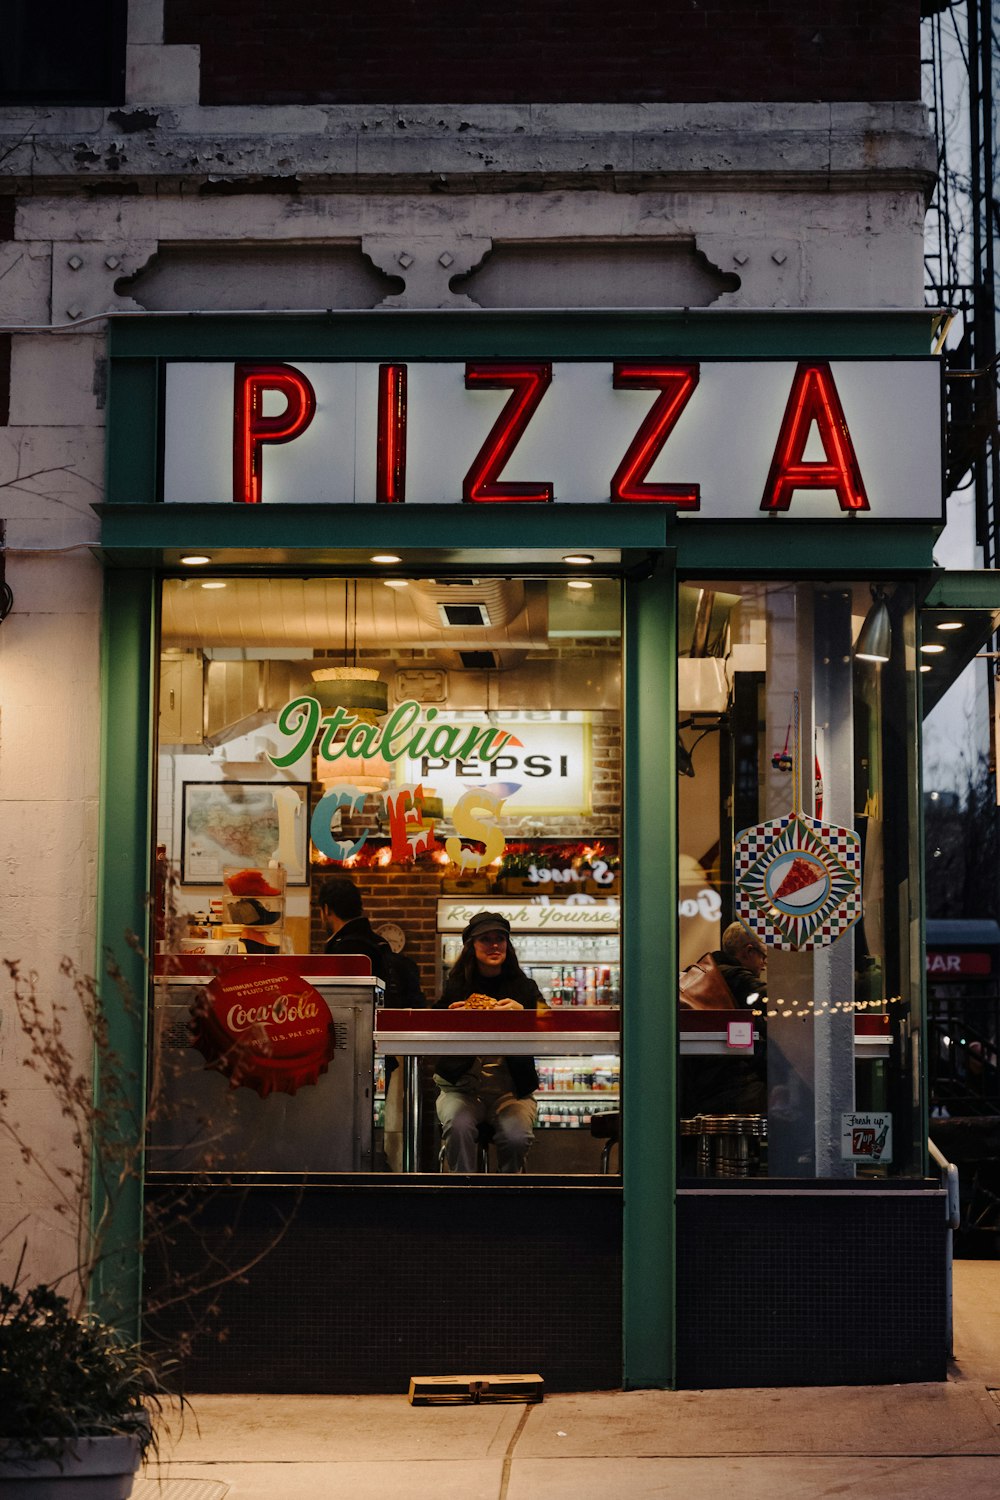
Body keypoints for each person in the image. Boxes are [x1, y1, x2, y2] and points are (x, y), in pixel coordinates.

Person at [433, 911, 541, 1174]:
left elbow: (550, 1023)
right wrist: (450, 1019)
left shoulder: (525, 988)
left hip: (512, 1090)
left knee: (516, 1137)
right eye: (486, 939)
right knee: (458, 1127)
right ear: (472, 946)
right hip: (462, 1088)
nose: (495, 945)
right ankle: (465, 1196)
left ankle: (507, 1198)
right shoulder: (457, 986)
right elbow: (431, 1025)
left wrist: (526, 1015)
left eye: (500, 938)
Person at [680, 921, 768, 1119]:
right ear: (748, 951)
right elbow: (771, 1000)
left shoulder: (706, 974)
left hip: (695, 1086)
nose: (764, 964)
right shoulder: (736, 977)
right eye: (763, 956)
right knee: (791, 1098)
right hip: (727, 1087)